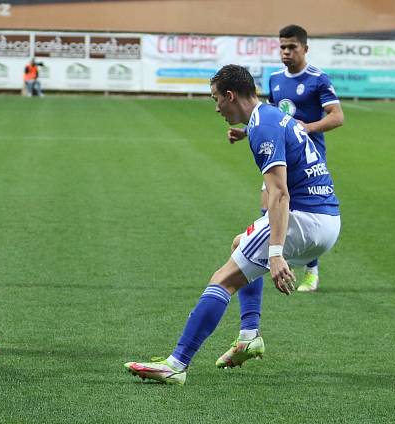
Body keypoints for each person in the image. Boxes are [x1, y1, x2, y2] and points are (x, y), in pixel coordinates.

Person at [124, 64, 341, 385]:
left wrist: (277, 253)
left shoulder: (264, 125)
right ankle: (249, 335)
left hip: (304, 219)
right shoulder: (269, 118)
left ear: (230, 95)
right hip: (328, 221)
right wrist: (247, 133)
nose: (216, 108)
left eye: (216, 99)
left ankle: (176, 364)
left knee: (223, 279)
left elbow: (280, 194)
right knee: (242, 243)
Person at [229, 24, 344, 296]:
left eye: (292, 47)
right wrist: (246, 132)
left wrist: (308, 128)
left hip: (308, 158)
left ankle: (311, 270)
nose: (286, 52)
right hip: (279, 155)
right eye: (282, 47)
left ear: (305, 48)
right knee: (268, 208)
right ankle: (272, 258)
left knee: (294, 208)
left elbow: (337, 116)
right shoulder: (276, 79)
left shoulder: (318, 79)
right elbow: (268, 116)